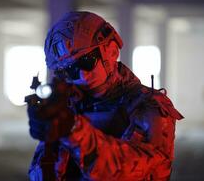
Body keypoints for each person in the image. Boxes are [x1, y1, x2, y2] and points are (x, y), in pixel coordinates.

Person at [27, 11, 183, 180]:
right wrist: (50, 135)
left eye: (87, 60)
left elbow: (135, 170)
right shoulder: (70, 104)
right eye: (69, 70)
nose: (81, 76)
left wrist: (74, 131)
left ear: (111, 51)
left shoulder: (149, 106)